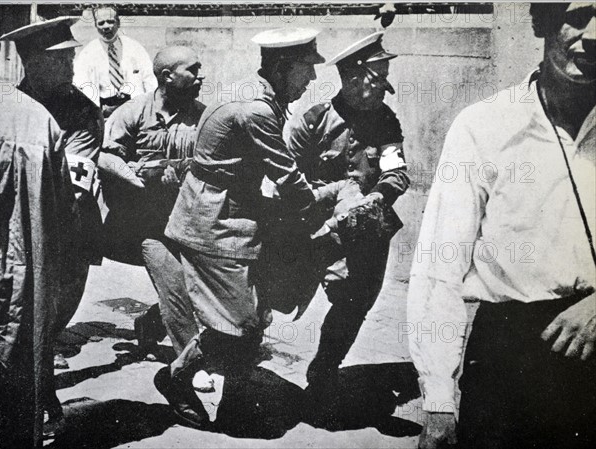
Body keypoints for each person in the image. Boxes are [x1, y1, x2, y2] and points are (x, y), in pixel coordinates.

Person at [407, 4, 595, 449]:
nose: (594, 35)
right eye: (580, 14)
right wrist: (437, 399)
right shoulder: (484, 126)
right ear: (543, 22)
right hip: (511, 359)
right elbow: (441, 262)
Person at [159, 28, 348, 429]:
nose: (311, 79)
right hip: (214, 224)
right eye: (305, 69)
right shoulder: (255, 109)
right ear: (282, 67)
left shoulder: (255, 92)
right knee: (242, 323)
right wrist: (333, 195)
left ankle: (236, 403)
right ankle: (175, 378)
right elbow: (287, 176)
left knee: (253, 314)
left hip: (228, 216)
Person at [286, 31, 409, 400]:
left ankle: (324, 368)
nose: (386, 86)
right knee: (275, 297)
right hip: (316, 229)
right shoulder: (314, 120)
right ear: (353, 80)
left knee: (355, 303)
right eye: (378, 77)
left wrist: (374, 198)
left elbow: (397, 171)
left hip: (366, 231)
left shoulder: (387, 121)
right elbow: (286, 176)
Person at [0, 15, 104, 436]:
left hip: (68, 230)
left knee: (48, 316)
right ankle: (35, 395)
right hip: (23, 225)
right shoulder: (16, 104)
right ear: (33, 64)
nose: (71, 69)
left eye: (72, 59)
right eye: (60, 61)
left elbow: (74, 185)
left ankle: (38, 390)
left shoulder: (81, 110)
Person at [99, 45, 206, 357]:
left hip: (187, 220)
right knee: (174, 283)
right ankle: (189, 359)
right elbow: (106, 157)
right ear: (167, 76)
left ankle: (150, 325)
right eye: (193, 70)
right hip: (146, 224)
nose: (200, 77)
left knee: (196, 285)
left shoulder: (203, 116)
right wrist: (138, 180)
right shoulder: (133, 112)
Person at [74, 5, 157, 117]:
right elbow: (81, 86)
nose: (106, 26)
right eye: (101, 23)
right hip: (105, 111)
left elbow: (150, 80)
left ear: (118, 23)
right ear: (95, 25)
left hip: (134, 109)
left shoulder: (135, 48)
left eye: (110, 21)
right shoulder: (88, 54)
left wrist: (151, 110)